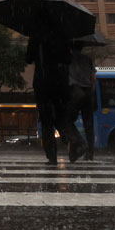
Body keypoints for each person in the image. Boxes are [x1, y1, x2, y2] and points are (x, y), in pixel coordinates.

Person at [27, 35, 94, 165]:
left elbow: (28, 58)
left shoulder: (36, 36)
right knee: (60, 118)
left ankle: (52, 157)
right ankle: (75, 140)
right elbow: (67, 59)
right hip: (60, 83)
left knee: (47, 121)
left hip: (43, 82)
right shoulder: (62, 35)